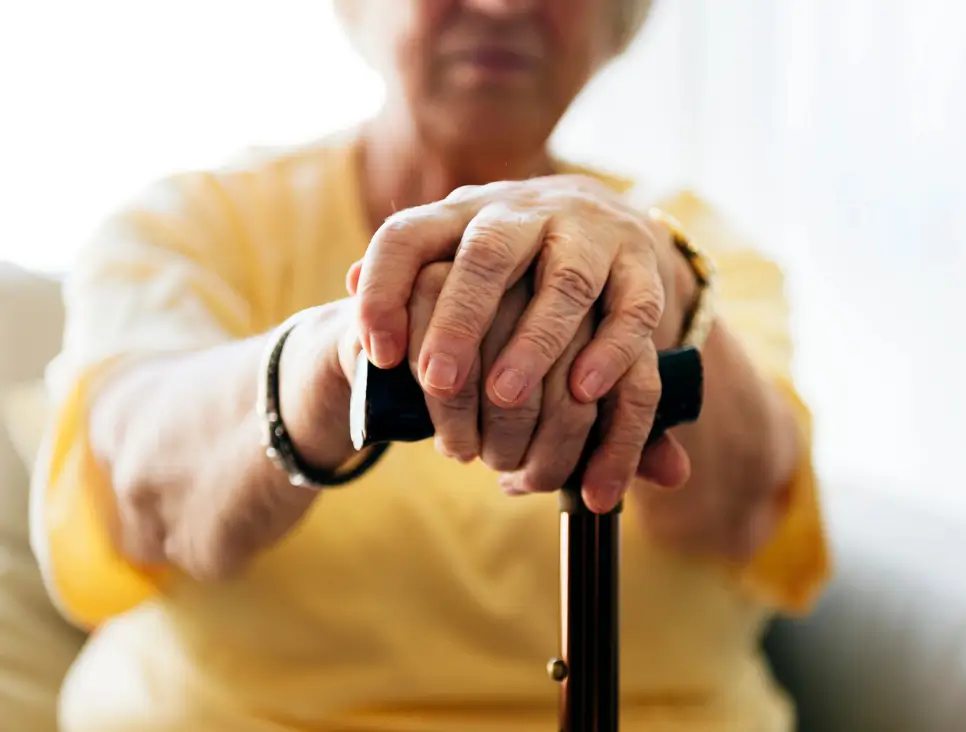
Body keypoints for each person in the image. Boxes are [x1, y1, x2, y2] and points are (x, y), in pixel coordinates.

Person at [31, 1, 829, 730]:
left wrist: (661, 274)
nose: (503, 5)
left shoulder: (704, 245)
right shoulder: (192, 225)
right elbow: (142, 493)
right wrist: (339, 359)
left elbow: (743, 514)